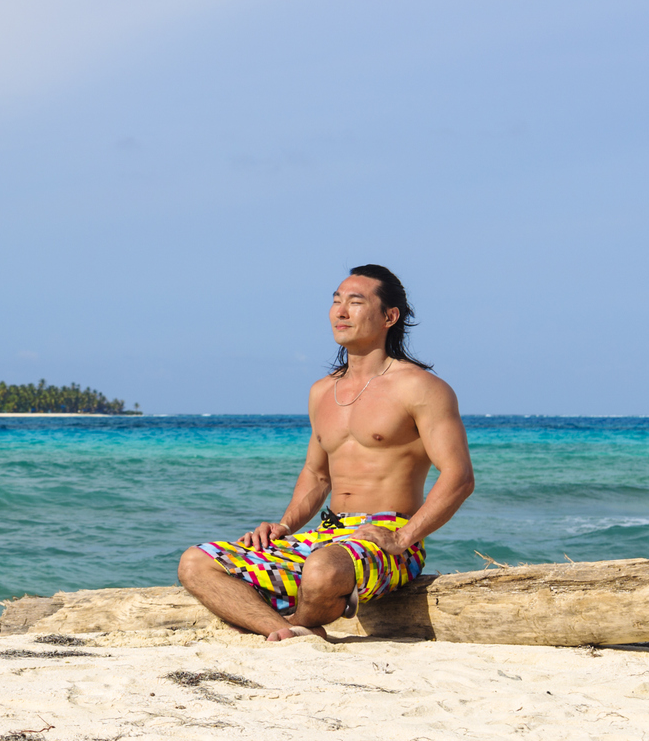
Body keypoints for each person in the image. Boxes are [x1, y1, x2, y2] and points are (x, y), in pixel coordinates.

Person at [177, 264, 474, 641]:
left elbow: (459, 477)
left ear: (389, 317)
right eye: (336, 301)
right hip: (326, 534)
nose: (341, 312)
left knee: (321, 571)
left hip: (387, 538)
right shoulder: (322, 391)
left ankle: (291, 626)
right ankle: (285, 633)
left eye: (355, 302)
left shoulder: (421, 388)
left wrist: (403, 538)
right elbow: (317, 476)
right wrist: (284, 527)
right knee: (195, 562)